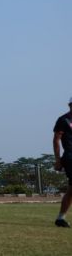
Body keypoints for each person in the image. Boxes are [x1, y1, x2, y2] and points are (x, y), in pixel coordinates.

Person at [53, 97, 72, 228]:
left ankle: (60, 218)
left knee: (71, 189)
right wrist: (58, 160)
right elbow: (56, 140)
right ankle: (60, 218)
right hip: (70, 156)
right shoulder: (63, 120)